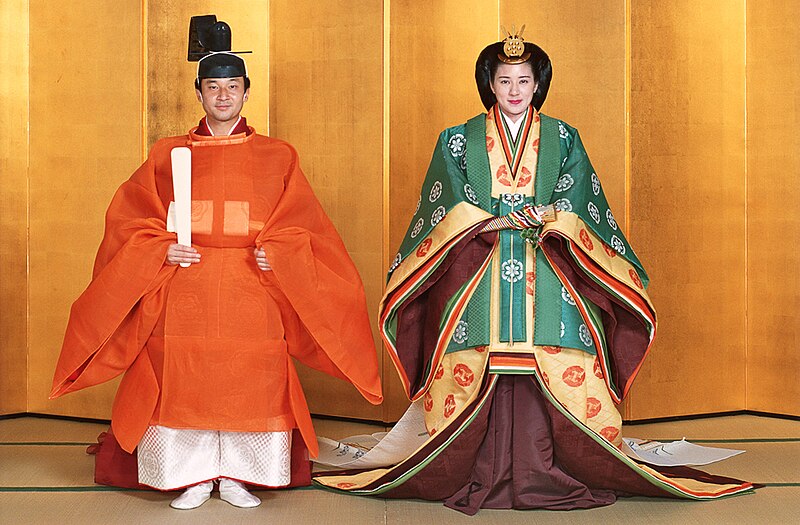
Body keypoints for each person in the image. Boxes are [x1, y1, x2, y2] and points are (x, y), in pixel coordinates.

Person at [313, 29, 753, 514]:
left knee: (563, 352)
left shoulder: (564, 136)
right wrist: (492, 220)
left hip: (548, 269)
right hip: (480, 272)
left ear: (537, 85)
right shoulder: (456, 139)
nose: (516, 90)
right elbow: (446, 202)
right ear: (490, 85)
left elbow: (581, 193)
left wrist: (553, 215)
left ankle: (558, 465)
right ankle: (473, 466)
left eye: (524, 80)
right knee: (477, 357)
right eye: (505, 81)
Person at [50, 16, 382, 510]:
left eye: (232, 87)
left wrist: (281, 253)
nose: (223, 96)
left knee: (252, 381)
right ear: (199, 93)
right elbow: (129, 222)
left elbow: (303, 226)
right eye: (213, 87)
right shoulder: (168, 154)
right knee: (183, 377)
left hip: (253, 285)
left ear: (247, 93)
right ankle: (191, 476)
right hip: (186, 282)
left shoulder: (278, 156)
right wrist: (160, 248)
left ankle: (242, 477)